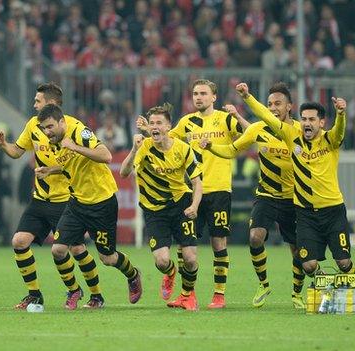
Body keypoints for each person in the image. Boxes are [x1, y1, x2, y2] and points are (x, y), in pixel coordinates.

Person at [137, 79, 248, 309]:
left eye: (203, 93)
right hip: (191, 193)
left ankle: (219, 294)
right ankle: (187, 294)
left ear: (214, 97)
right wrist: (147, 130)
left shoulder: (225, 119)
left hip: (218, 190)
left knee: (218, 242)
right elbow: (164, 138)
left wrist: (237, 116)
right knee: (185, 246)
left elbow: (251, 133)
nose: (198, 97)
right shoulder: (187, 122)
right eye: (196, 93)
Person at [200, 83, 306, 309]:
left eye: (278, 103)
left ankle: (297, 292)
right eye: (269, 104)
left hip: (293, 198)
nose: (273, 107)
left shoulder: (299, 130)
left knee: (297, 249)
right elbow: (231, 150)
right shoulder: (258, 129)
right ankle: (263, 284)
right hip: (266, 195)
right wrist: (211, 146)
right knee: (255, 237)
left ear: (290, 106)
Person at [236, 83, 355, 281]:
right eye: (304, 119)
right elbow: (266, 117)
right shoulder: (293, 137)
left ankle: (354, 285)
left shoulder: (330, 140)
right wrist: (247, 97)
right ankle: (321, 283)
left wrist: (341, 114)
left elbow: (340, 131)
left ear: (322, 123)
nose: (307, 123)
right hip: (305, 212)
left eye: (312, 119)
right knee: (308, 265)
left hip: (332, 210)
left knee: (343, 263)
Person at [36, 104, 142, 309]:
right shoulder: (55, 140)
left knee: (108, 258)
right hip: (77, 203)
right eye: (43, 129)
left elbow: (106, 156)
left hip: (102, 202)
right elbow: (71, 164)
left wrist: (74, 147)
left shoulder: (80, 132)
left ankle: (133, 274)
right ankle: (76, 291)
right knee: (58, 249)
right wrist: (51, 170)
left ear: (61, 122)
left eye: (50, 127)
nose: (47, 132)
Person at [0, 83, 79, 310]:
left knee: (75, 249)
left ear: (50, 104)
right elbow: (17, 152)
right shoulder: (33, 124)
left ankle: (78, 291)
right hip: (40, 199)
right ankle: (34, 294)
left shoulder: (70, 128)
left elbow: (77, 161)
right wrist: (3, 145)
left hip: (66, 200)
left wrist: (52, 170)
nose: (34, 104)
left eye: (37, 100)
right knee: (19, 242)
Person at [120, 103, 203, 311]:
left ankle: (187, 296)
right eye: (152, 123)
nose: (155, 126)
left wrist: (194, 205)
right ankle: (171, 272)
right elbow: (123, 172)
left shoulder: (183, 149)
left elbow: (197, 182)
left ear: (168, 126)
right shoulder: (144, 147)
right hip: (154, 210)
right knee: (162, 261)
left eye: (159, 123)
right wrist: (133, 149)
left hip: (180, 205)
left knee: (191, 258)